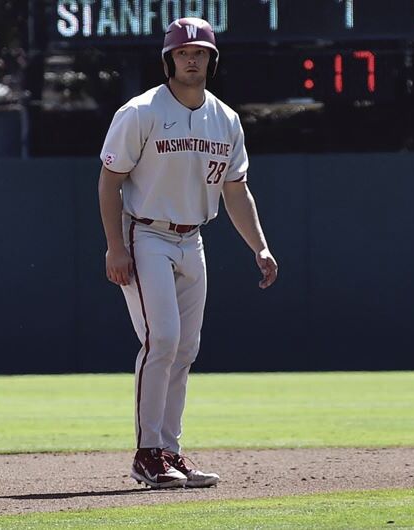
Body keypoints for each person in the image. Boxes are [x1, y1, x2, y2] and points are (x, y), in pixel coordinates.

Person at [97, 17, 278, 489]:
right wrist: (116, 246)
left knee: (186, 348)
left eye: (199, 51)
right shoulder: (141, 111)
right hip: (146, 234)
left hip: (192, 236)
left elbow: (236, 190)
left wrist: (258, 245)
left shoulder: (226, 119)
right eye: (183, 52)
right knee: (163, 340)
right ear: (169, 59)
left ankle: (169, 452)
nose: (192, 58)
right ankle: (146, 452)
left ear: (212, 59)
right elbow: (110, 179)